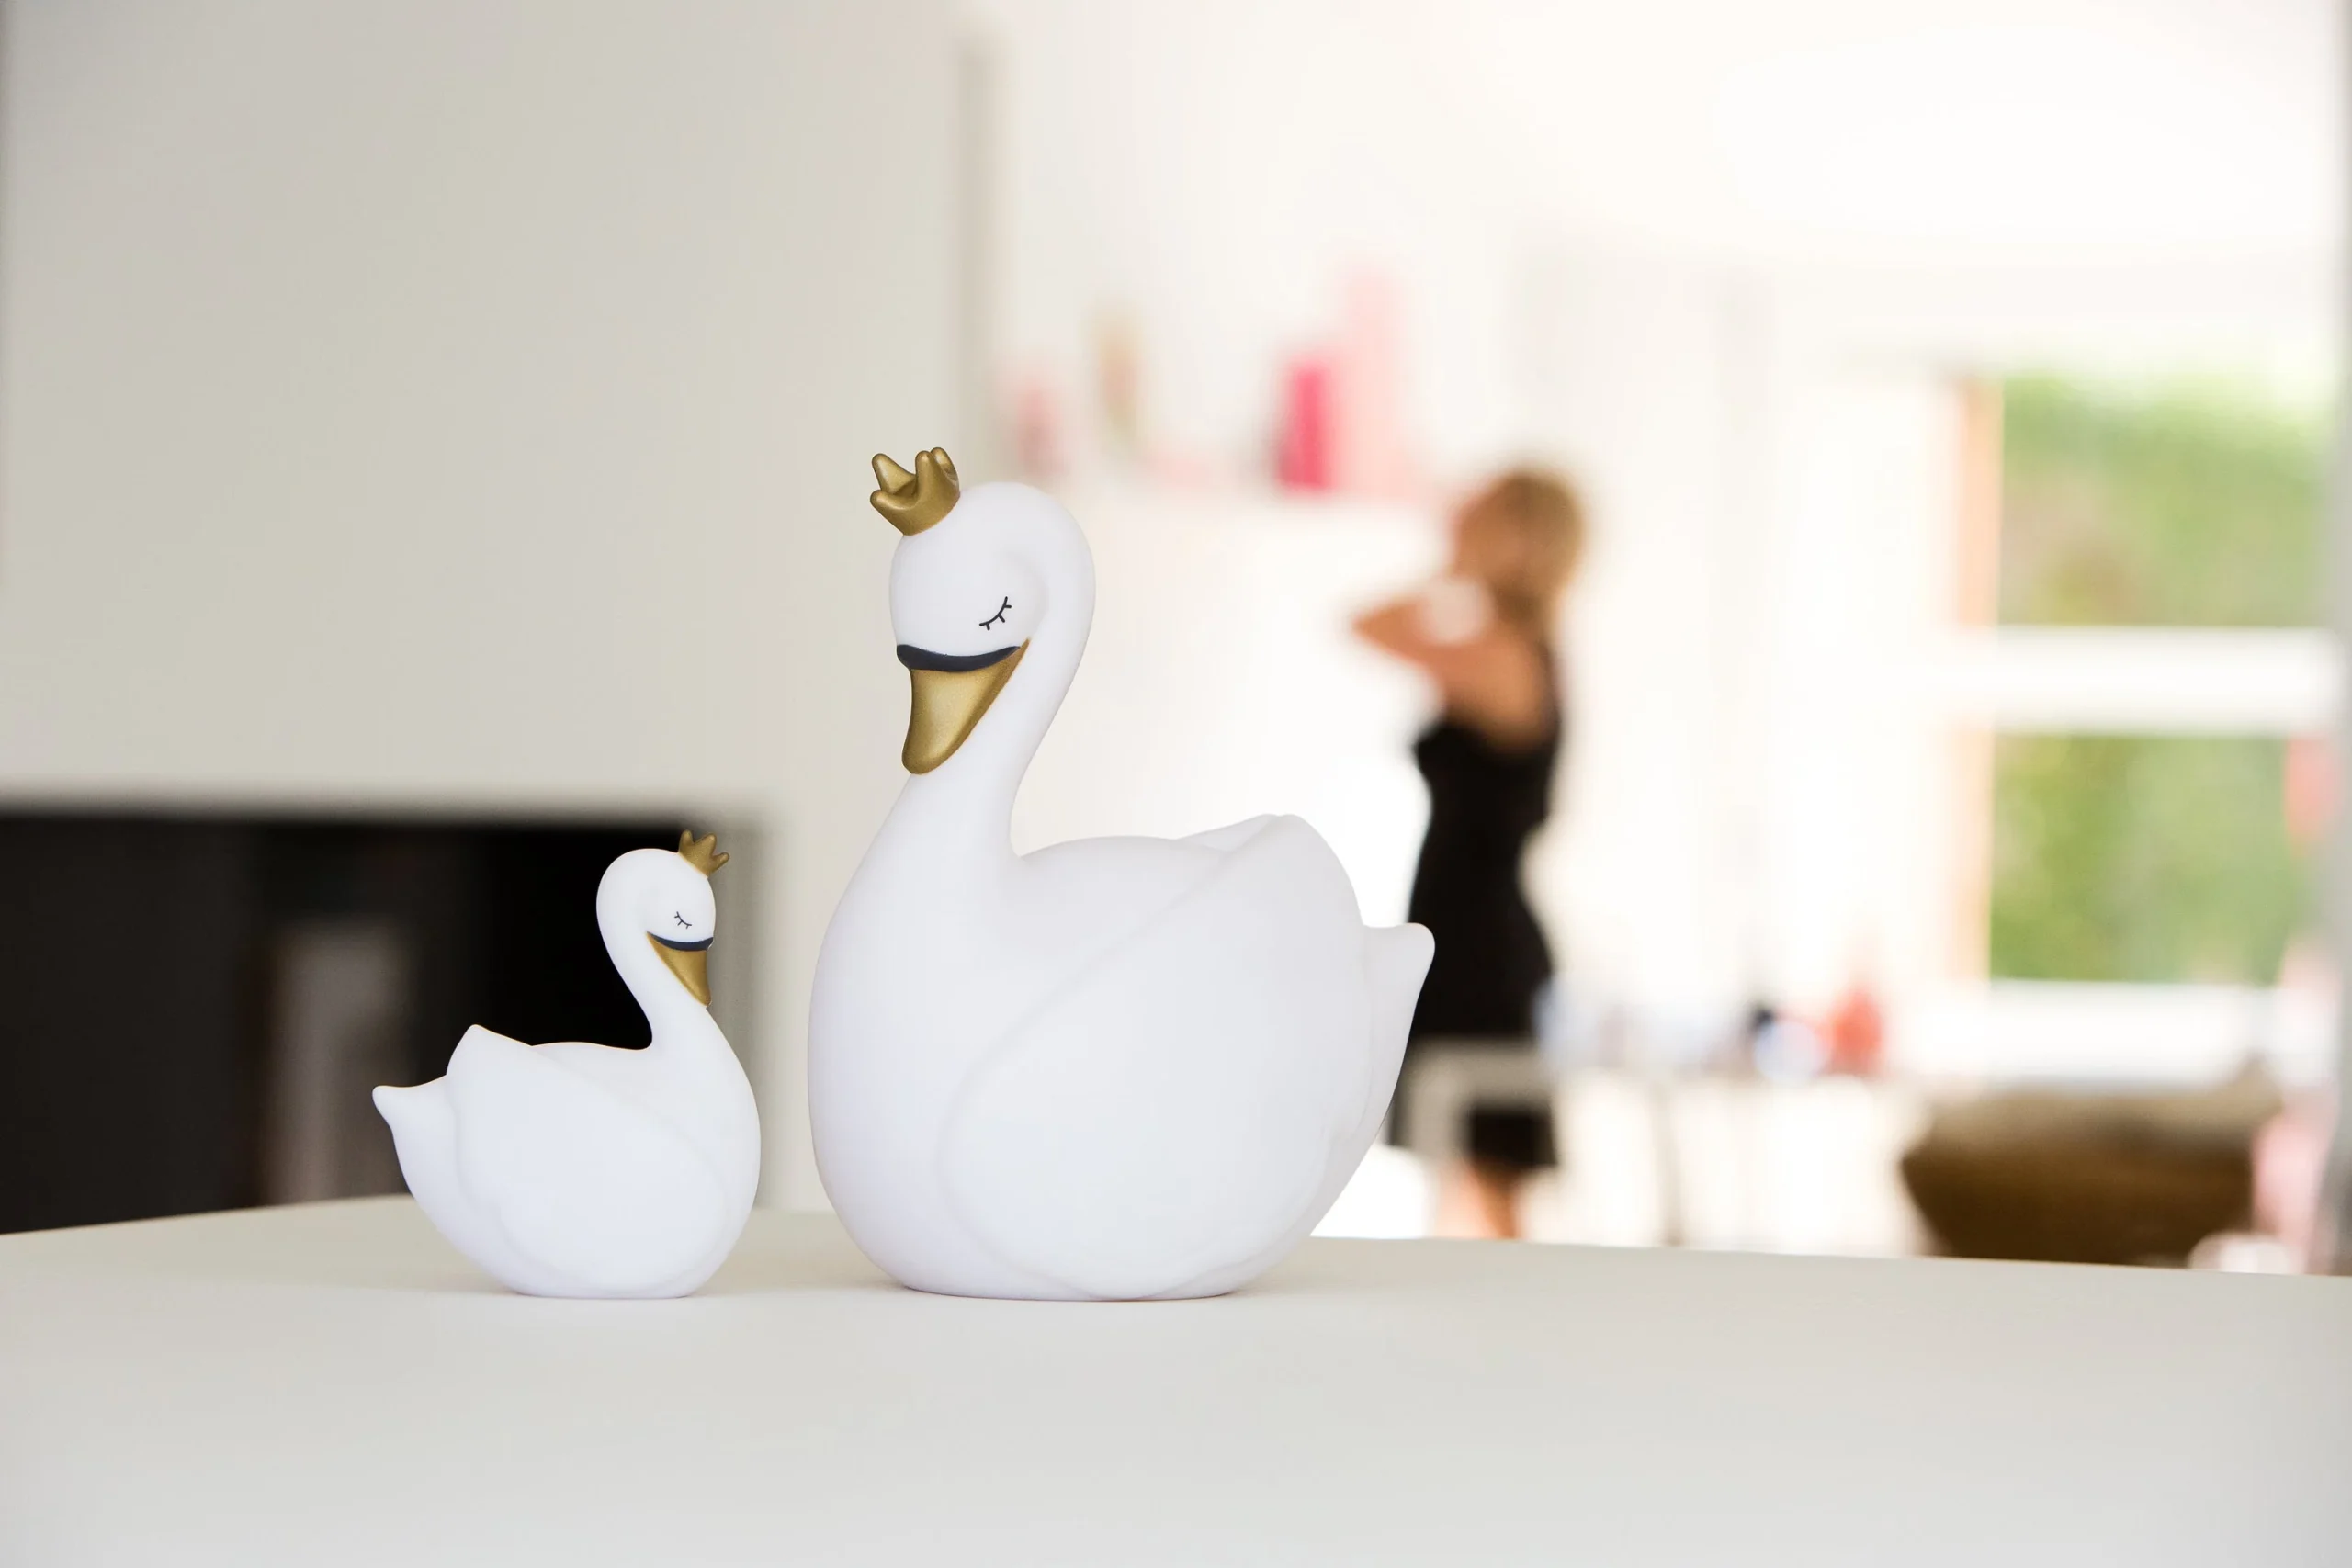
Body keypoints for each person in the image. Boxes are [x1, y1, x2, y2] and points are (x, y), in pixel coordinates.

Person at [1354, 468, 1585, 1237]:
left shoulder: (1502, 654)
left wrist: (1449, 570)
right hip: (1464, 934)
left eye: (1482, 517)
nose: (1461, 524)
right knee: (1463, 1176)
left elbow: (1368, 625)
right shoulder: (1512, 648)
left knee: (1488, 1183)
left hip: (1481, 950)